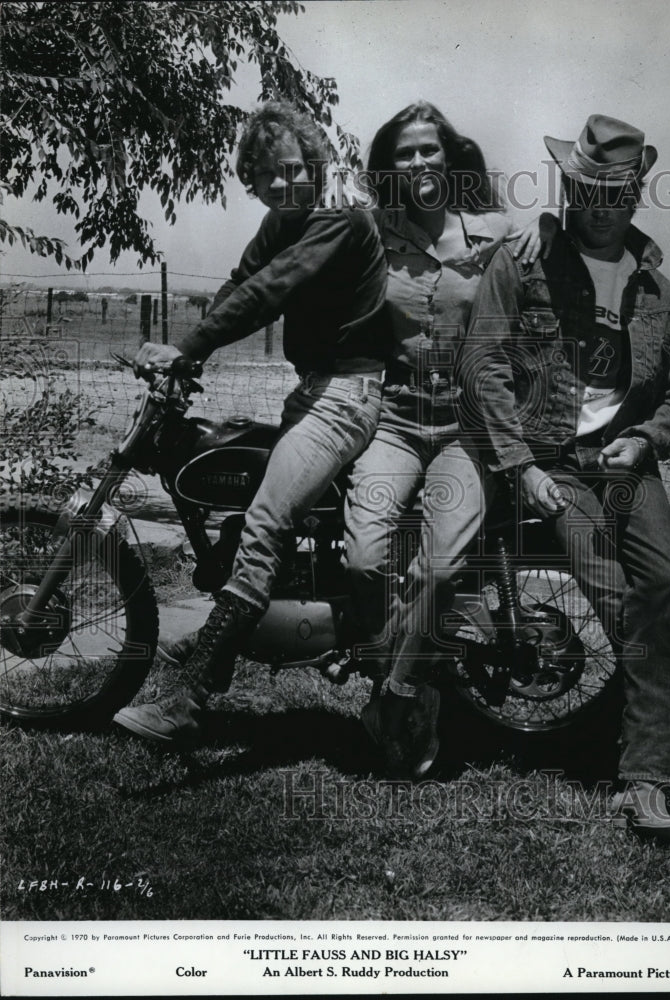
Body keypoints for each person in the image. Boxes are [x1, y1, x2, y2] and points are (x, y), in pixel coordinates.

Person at [457, 114, 670, 843]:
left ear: (636, 192)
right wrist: (519, 465)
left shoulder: (656, 289)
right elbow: (481, 365)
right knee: (616, 594)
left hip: (621, 462)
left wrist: (645, 440)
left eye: (615, 192)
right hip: (553, 462)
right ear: (569, 184)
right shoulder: (524, 260)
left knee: (668, 588)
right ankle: (668, 776)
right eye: (586, 189)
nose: (600, 204)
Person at [113, 100, 389, 747]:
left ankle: (192, 696)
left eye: (293, 169)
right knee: (257, 504)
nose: (285, 184)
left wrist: (191, 347)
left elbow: (274, 288)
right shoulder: (279, 221)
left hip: (348, 391)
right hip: (313, 391)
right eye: (269, 177)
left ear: (314, 164)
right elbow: (241, 280)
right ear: (255, 184)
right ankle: (261, 634)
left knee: (265, 521)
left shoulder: (339, 220)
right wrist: (190, 353)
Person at [343, 101, 524, 778]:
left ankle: (398, 695)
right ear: (388, 168)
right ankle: (413, 679)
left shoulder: (498, 236)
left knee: (441, 569)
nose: (418, 162)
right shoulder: (370, 235)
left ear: (449, 158)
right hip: (392, 423)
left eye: (429, 150)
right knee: (363, 560)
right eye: (404, 152)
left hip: (463, 432)